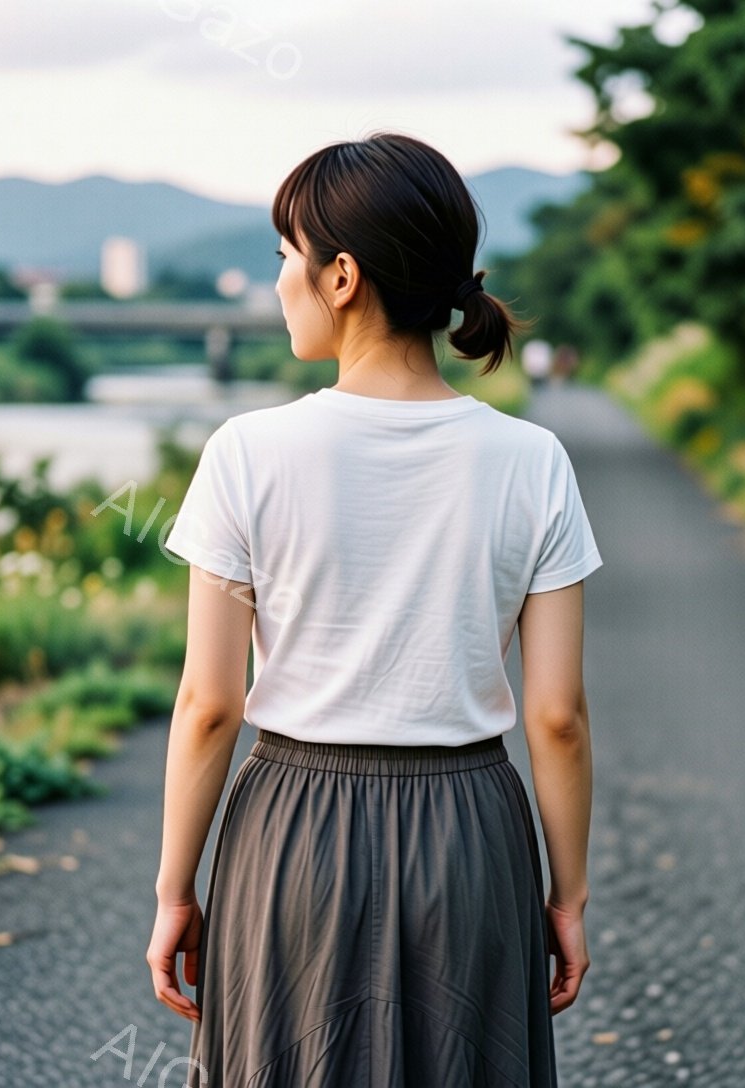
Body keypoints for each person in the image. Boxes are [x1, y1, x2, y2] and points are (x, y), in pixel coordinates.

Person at [149, 131, 601, 1087]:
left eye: (286, 256)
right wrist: (567, 898)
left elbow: (209, 706)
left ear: (342, 276)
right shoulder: (533, 462)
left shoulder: (245, 454)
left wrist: (173, 890)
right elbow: (558, 717)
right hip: (472, 838)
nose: (279, 281)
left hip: (291, 835)